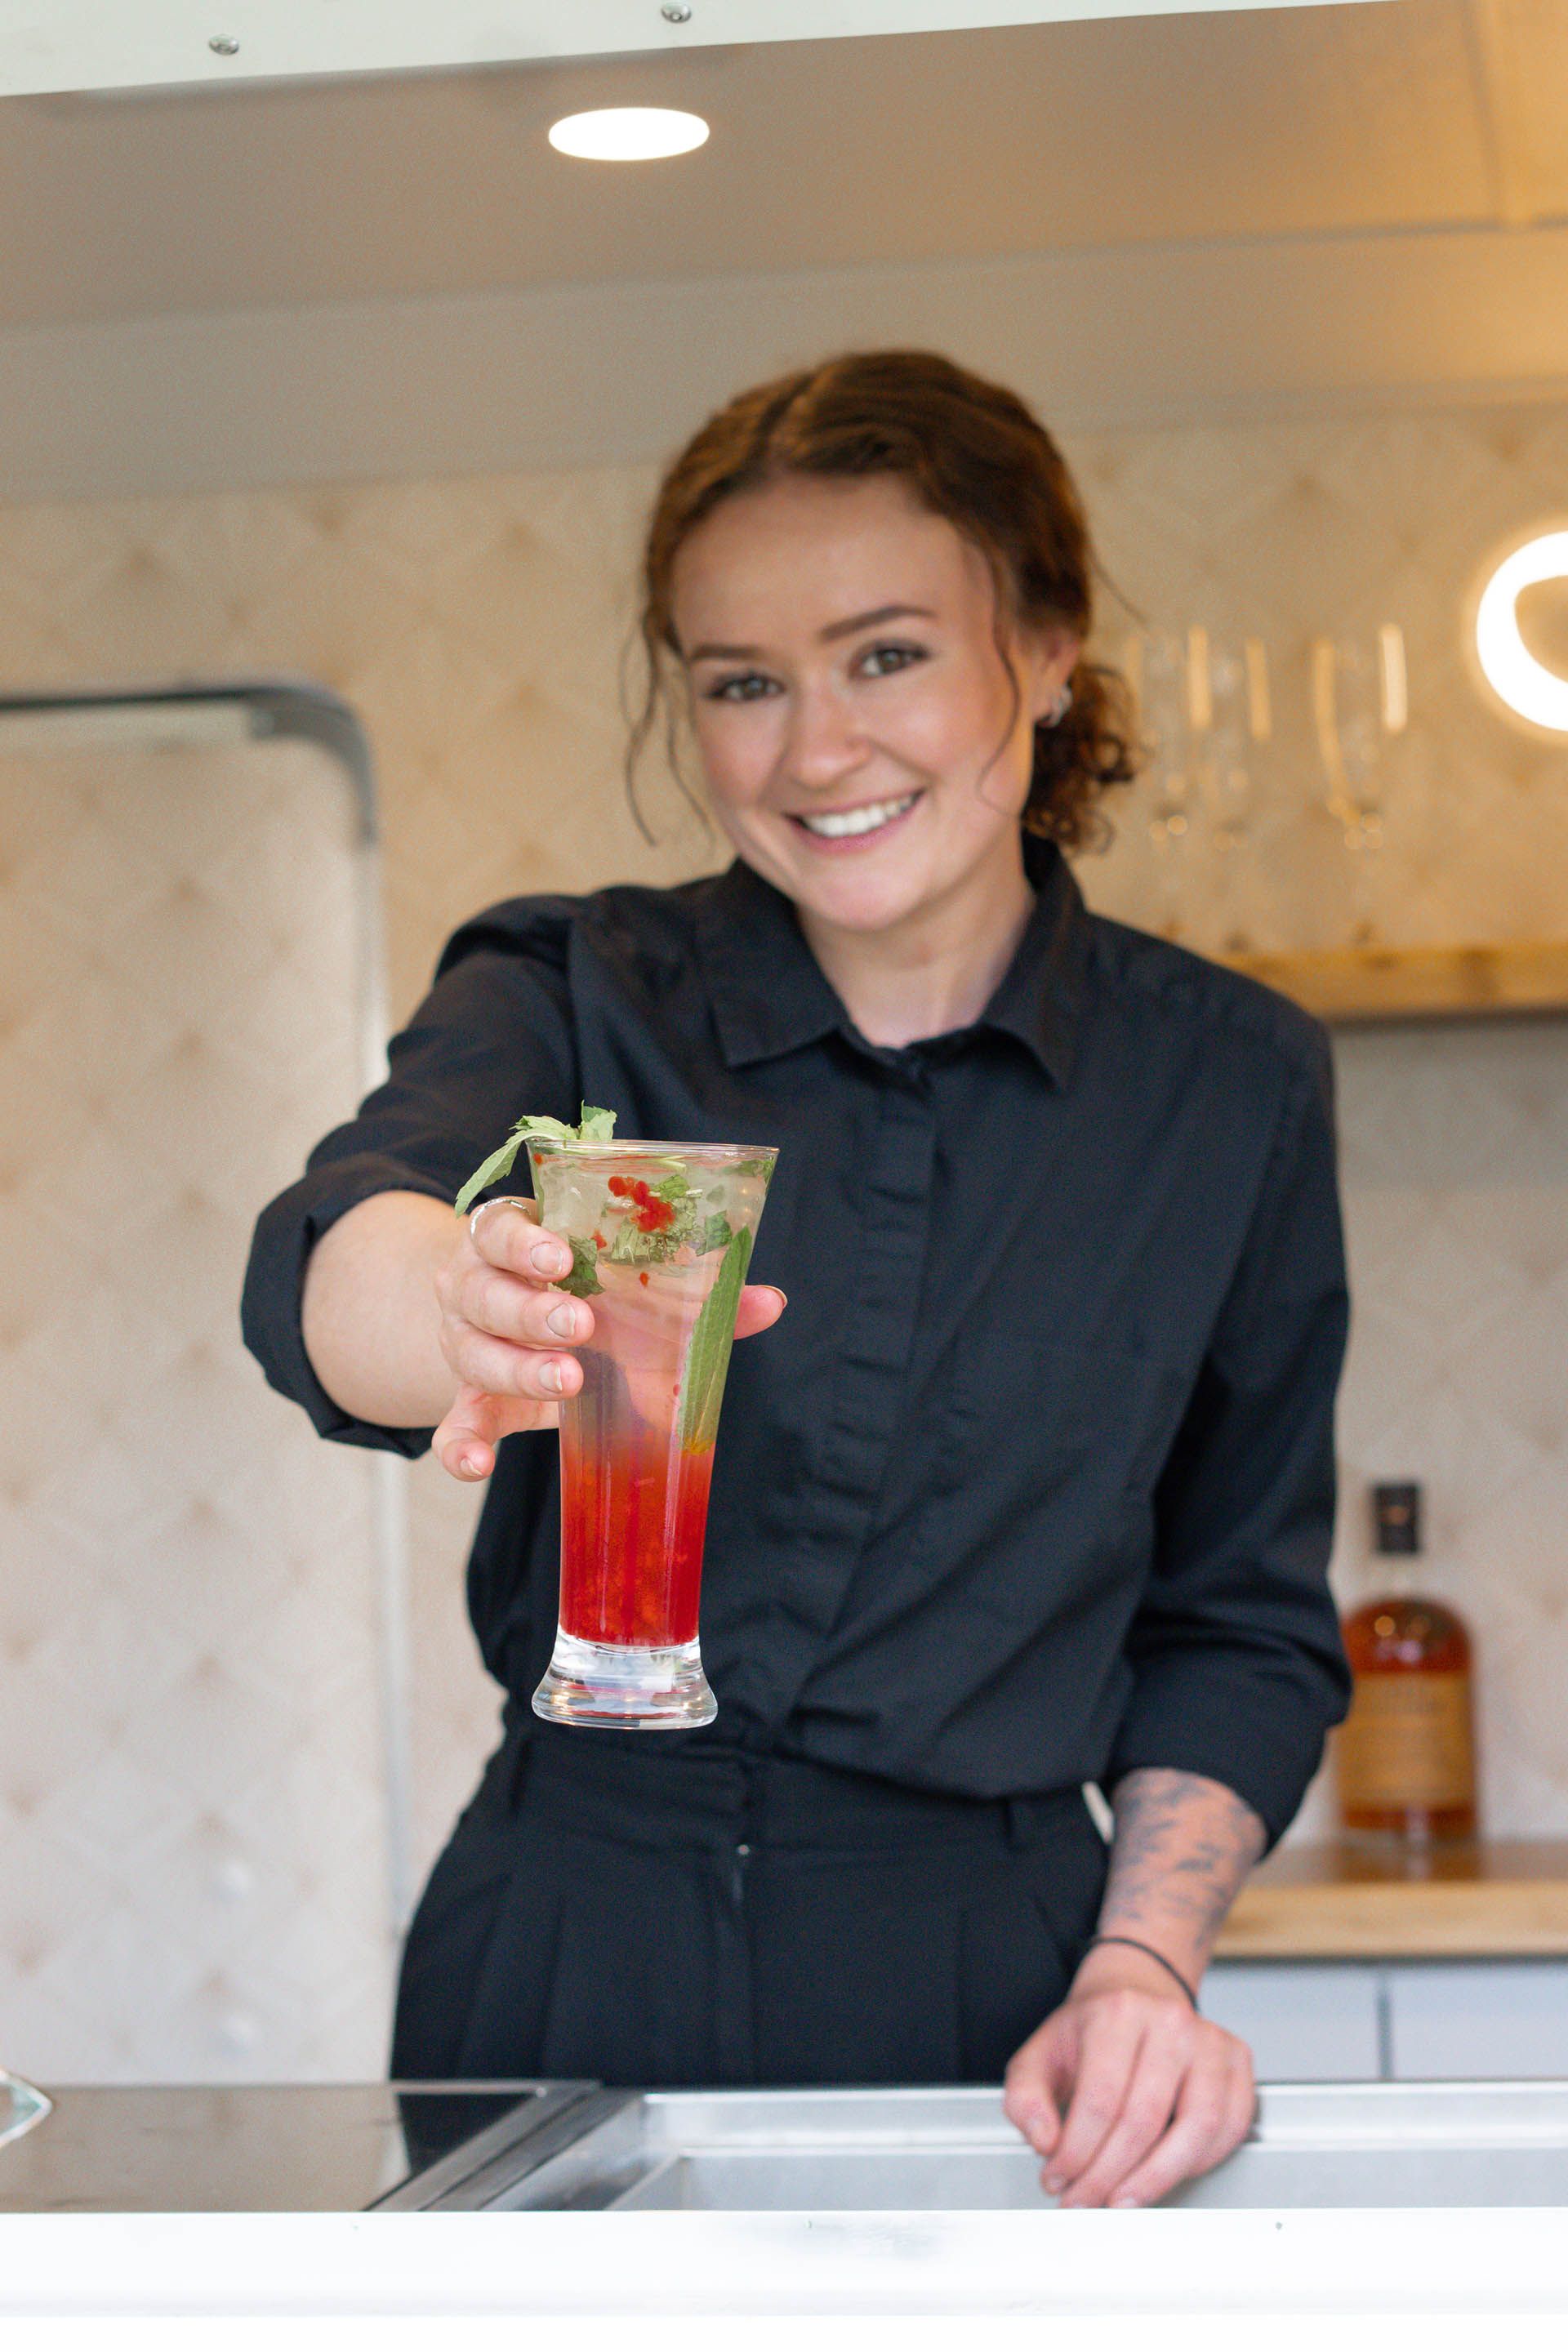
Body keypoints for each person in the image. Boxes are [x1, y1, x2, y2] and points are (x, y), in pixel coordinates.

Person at [243, 348, 1351, 2211]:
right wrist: (451, 1307)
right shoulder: (570, 990)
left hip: (999, 1988)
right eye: (742, 682)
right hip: (561, 1941)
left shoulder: (1229, 1084)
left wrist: (1143, 1970)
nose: (815, 751)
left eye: (886, 655)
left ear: (1049, 648)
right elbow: (334, 1253)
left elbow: (1239, 1619)